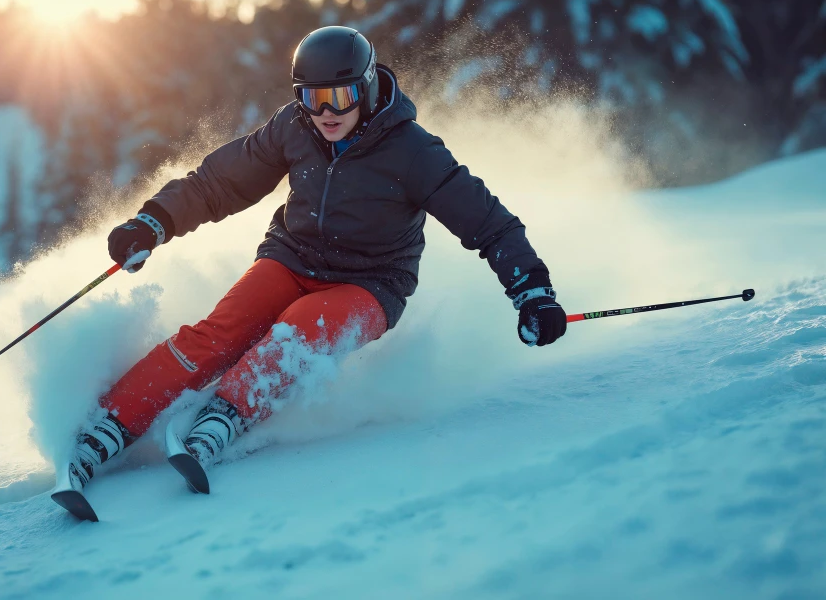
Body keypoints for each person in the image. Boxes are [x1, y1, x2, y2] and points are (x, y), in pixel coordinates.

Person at [55, 26, 567, 512]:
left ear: (366, 87)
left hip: (370, 283)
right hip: (292, 258)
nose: (326, 112)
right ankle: (107, 427)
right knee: (219, 334)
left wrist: (533, 293)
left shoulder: (413, 151)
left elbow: (489, 223)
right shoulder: (293, 127)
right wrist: (154, 221)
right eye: (311, 97)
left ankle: (221, 419)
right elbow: (220, 183)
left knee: (296, 333)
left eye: (340, 97)